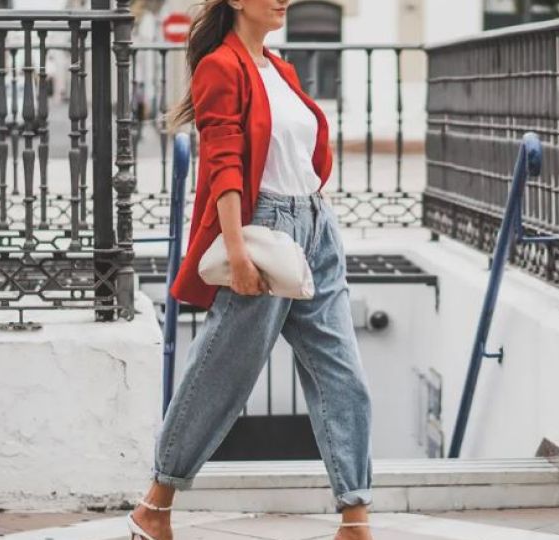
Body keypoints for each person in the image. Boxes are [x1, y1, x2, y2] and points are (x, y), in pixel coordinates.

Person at [127, 1, 374, 540]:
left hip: (314, 225)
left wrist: (313, 217)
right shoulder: (221, 65)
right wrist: (236, 251)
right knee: (224, 373)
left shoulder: (280, 67)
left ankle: (355, 517)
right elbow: (223, 164)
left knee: (342, 372)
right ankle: (156, 504)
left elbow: (303, 150)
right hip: (264, 228)